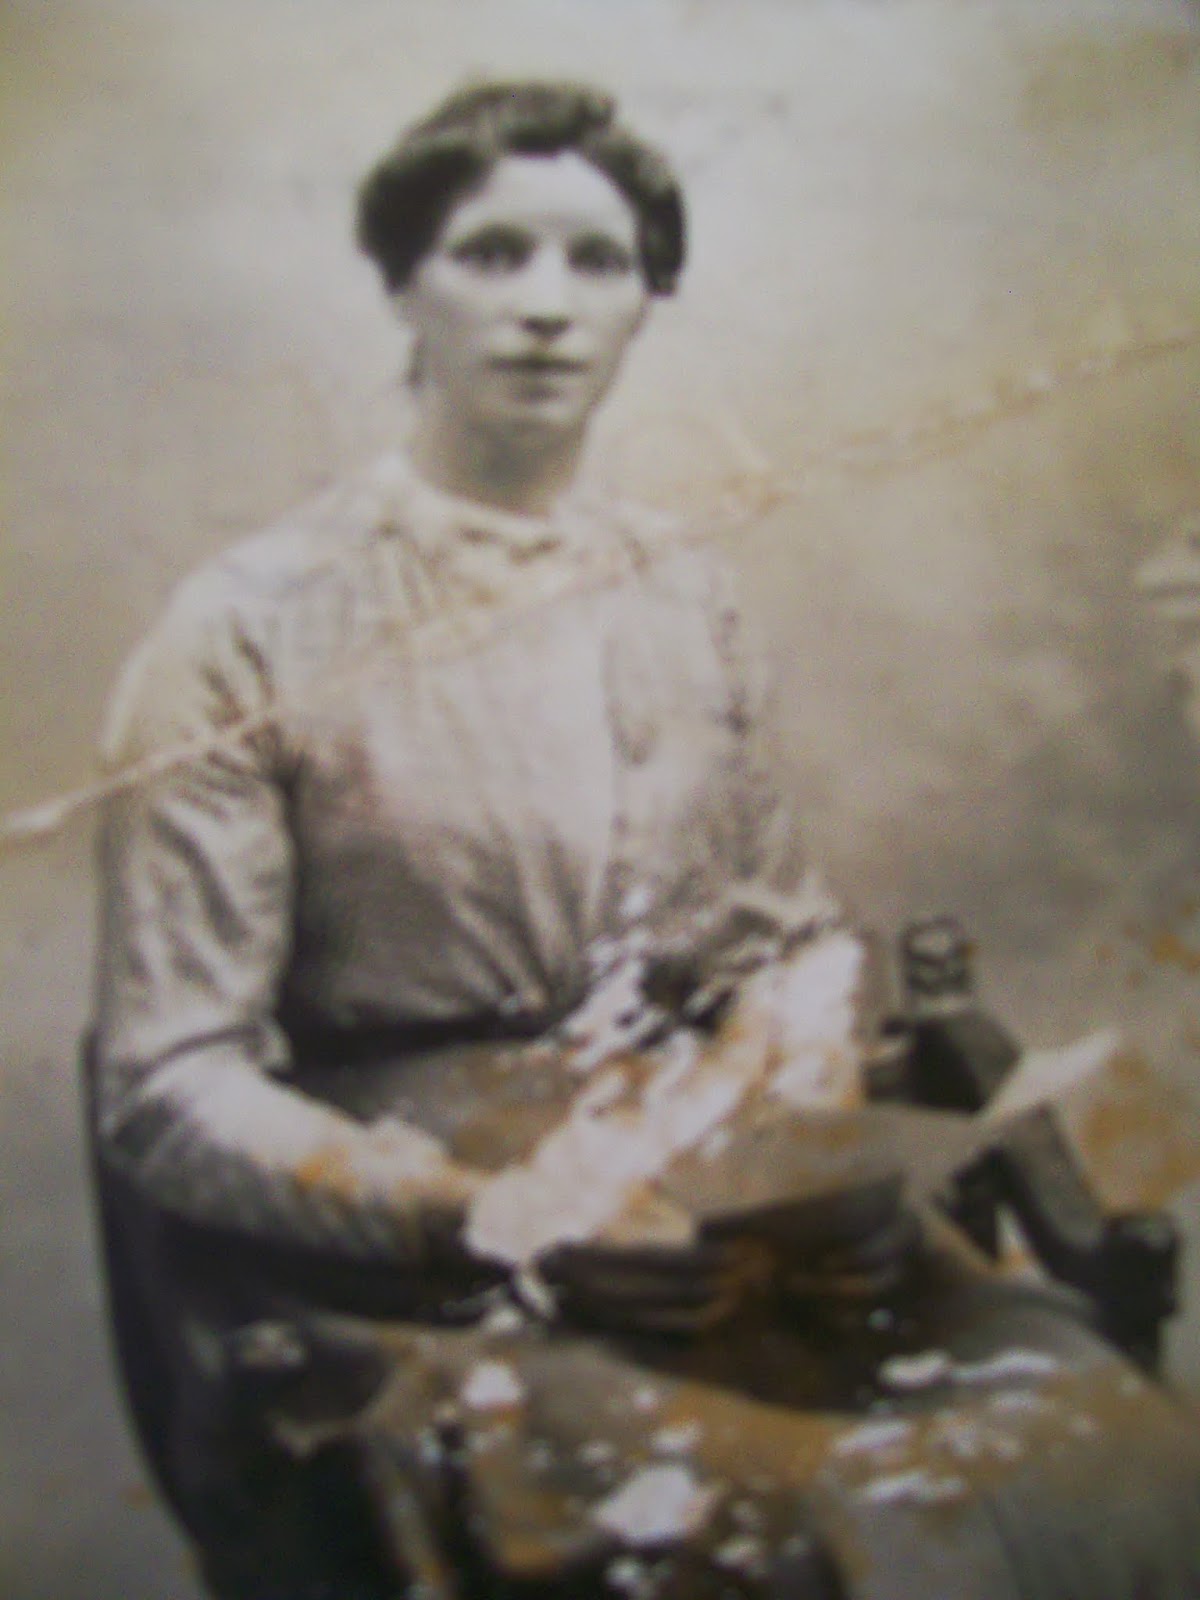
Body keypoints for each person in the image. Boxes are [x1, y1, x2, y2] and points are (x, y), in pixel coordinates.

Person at [92, 81, 1200, 1600]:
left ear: (645, 302)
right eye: (491, 254)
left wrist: (792, 1157)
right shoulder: (242, 629)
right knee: (811, 1528)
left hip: (713, 1226)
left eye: (597, 261)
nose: (547, 305)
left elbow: (786, 945)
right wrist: (490, 1213)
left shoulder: (685, 593)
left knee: (1112, 1450)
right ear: (403, 287)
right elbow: (167, 1085)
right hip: (424, 1267)